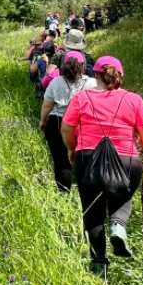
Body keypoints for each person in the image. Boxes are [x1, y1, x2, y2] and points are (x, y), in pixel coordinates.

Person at [61, 55, 143, 277]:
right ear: (120, 76)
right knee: (123, 195)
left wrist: (71, 148)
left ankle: (99, 265)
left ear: (95, 75)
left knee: (93, 213)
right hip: (127, 160)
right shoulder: (134, 100)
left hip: (88, 159)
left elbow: (66, 129)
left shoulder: (82, 98)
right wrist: (142, 147)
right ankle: (118, 226)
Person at [39, 50, 96, 192]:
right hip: (83, 124)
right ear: (83, 66)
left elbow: (47, 105)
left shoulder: (55, 82)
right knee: (86, 159)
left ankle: (63, 192)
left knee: (61, 161)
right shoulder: (92, 83)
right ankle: (87, 190)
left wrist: (42, 121)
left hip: (57, 123)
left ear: (64, 65)